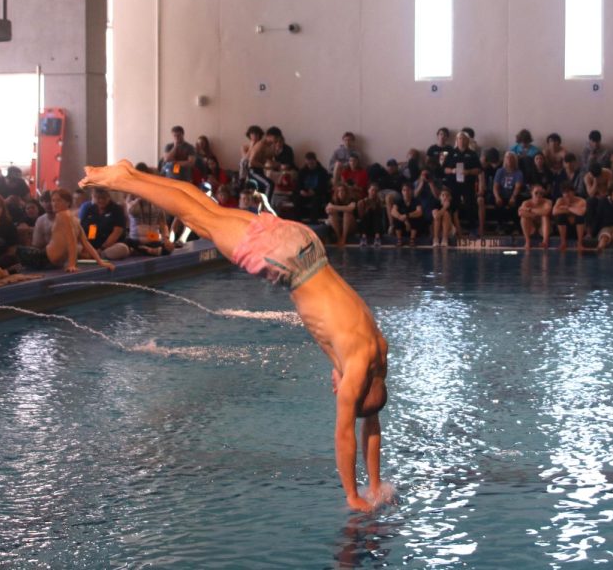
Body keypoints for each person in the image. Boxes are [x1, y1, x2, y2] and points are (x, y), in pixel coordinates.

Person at [80, 159, 390, 513]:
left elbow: (372, 423)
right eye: (345, 391)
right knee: (197, 219)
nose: (336, 389)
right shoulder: (355, 373)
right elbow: (347, 434)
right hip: (284, 263)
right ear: (359, 386)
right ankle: (124, 181)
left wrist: (376, 484)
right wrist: (353, 495)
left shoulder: (377, 351)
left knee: (208, 211)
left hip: (306, 246)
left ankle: (132, 174)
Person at [19, 188, 116, 272]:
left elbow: (72, 241)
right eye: (53, 200)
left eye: (59, 200)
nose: (54, 204)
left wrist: (72, 264)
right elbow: (85, 242)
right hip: (52, 261)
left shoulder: (63, 216)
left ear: (68, 202)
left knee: (16, 252)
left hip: (44, 259)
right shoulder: (73, 218)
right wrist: (100, 262)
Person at [552, 182, 586, 251]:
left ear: (573, 192)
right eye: (564, 192)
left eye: (568, 192)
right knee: (560, 217)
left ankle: (579, 243)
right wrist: (574, 209)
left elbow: (581, 213)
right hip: (565, 229)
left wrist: (568, 208)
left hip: (577, 230)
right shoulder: (560, 200)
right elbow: (554, 212)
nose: (567, 194)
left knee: (580, 218)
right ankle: (563, 242)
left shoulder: (581, 201)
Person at [518, 185, 552, 251]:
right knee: (523, 218)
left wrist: (529, 210)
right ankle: (527, 241)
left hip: (543, 229)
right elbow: (520, 213)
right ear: (531, 193)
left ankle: (545, 241)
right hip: (531, 228)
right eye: (536, 193)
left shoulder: (547, 202)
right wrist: (538, 213)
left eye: (541, 193)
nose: (538, 195)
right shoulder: (526, 202)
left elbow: (546, 212)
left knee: (545, 217)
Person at [390, 182, 424, 247]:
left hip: (413, 226)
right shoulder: (399, 200)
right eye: (404, 190)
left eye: (408, 190)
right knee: (396, 218)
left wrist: (407, 216)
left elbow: (419, 212)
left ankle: (412, 239)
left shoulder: (416, 200)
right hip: (402, 224)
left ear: (411, 191)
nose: (406, 192)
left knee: (417, 218)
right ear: (402, 191)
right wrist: (400, 217)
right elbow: (393, 211)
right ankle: (399, 239)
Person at [326, 183, 357, 247]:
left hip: (350, 225)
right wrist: (342, 208)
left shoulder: (351, 199)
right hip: (338, 225)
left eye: (342, 190)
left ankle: (344, 238)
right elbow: (327, 210)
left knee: (347, 213)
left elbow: (350, 208)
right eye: (339, 191)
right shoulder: (333, 200)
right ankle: (338, 237)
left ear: (346, 192)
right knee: (331, 215)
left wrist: (335, 207)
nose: (341, 192)